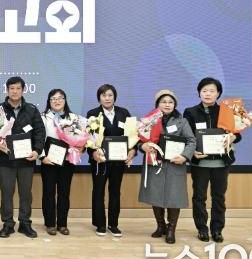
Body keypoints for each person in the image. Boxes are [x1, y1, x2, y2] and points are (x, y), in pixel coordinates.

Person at [183, 77, 241, 243]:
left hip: (221, 163)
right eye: (204, 91)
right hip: (200, 162)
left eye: (212, 91)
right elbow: (186, 136)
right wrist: (192, 152)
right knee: (199, 197)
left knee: (219, 197)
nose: (207, 94)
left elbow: (237, 134)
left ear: (218, 93)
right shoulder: (190, 112)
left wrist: (233, 137)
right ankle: (202, 229)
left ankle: (217, 229)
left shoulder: (227, 111)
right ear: (199, 93)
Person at [138, 89, 195, 244]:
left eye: (170, 102)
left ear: (175, 104)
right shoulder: (149, 121)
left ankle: (171, 229)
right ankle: (160, 226)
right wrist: (143, 146)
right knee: (155, 195)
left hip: (175, 165)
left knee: (174, 197)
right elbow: (140, 140)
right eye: (163, 102)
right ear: (157, 104)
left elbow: (191, 141)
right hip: (154, 163)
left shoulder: (182, 121)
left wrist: (184, 156)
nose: (167, 105)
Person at [0, 76, 45, 238]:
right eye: (11, 88)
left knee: (26, 194)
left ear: (23, 90)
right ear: (7, 90)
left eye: (18, 88)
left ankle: (25, 223)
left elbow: (40, 132)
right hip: (5, 160)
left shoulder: (32, 109)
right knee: (6, 193)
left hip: (26, 160)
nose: (15, 91)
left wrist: (37, 151)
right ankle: (8, 224)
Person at [86, 84, 136, 237]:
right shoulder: (93, 114)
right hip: (100, 161)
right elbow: (88, 138)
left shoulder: (124, 113)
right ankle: (100, 224)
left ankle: (113, 224)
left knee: (115, 191)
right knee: (98, 191)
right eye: (104, 95)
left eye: (110, 95)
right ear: (99, 98)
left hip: (118, 161)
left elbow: (132, 135)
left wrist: (133, 150)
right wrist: (93, 153)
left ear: (114, 97)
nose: (107, 98)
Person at [40, 88, 77, 236]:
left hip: (67, 161)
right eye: (53, 98)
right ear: (49, 102)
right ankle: (50, 224)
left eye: (60, 98)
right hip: (49, 161)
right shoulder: (43, 117)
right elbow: (38, 139)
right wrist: (42, 157)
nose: (57, 101)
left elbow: (80, 138)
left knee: (64, 193)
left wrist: (79, 148)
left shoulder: (73, 118)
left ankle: (62, 224)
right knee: (48, 192)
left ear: (65, 100)